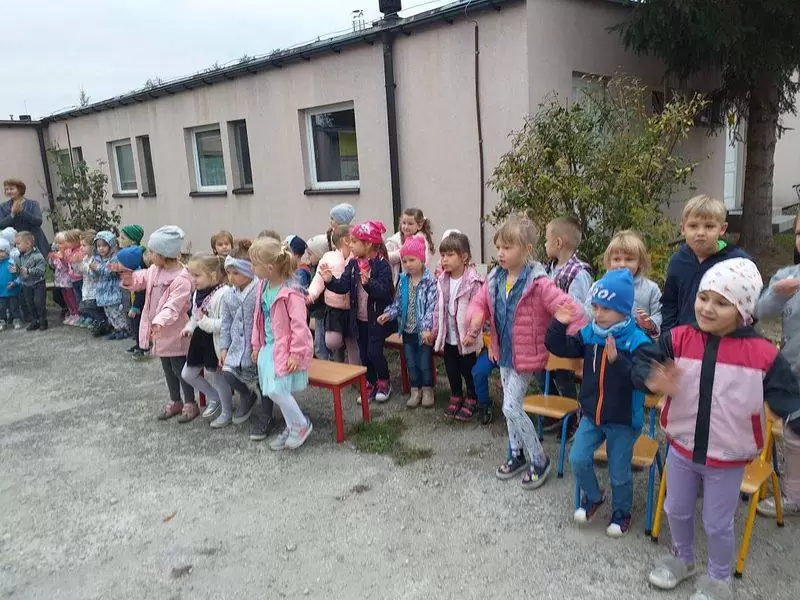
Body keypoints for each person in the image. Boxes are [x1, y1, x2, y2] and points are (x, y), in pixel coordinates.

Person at [633, 258, 800, 600]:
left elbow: (789, 396)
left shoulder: (762, 353)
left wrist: (790, 416)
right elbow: (640, 358)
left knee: (717, 522)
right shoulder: (679, 338)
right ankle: (683, 559)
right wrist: (651, 377)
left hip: (728, 455)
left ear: (743, 310)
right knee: (676, 509)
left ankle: (719, 578)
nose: (707, 308)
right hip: (681, 446)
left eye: (722, 303)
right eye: (704, 297)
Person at [465, 215, 585, 490]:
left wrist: (578, 338)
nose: (501, 253)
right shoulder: (495, 278)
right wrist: (475, 319)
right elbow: (480, 302)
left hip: (526, 358)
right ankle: (516, 453)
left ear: (527, 249)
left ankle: (539, 459)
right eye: (499, 247)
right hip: (503, 353)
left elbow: (569, 308)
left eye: (508, 247)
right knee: (510, 408)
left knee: (510, 407)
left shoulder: (538, 283)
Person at [546, 268, 652, 537]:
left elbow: (645, 380)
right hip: (592, 415)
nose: (598, 313)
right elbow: (560, 348)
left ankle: (622, 512)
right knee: (577, 458)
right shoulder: (590, 333)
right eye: (595, 306)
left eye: (606, 308)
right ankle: (594, 496)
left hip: (623, 420)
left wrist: (619, 362)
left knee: (619, 472)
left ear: (624, 310)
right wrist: (558, 324)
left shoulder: (638, 341)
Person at [119, 226, 195, 421]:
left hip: (175, 330)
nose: (149, 255)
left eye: (152, 252)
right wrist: (128, 278)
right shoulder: (154, 270)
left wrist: (159, 321)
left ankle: (190, 402)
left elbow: (174, 305)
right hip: (159, 331)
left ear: (164, 253)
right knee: (167, 368)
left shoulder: (182, 278)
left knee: (179, 368)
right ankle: (175, 400)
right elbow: (140, 279)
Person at [754, 214, 800, 518]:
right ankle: (793, 495)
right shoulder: (788, 276)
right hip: (793, 371)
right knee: (794, 432)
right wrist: (776, 293)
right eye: (799, 233)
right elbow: (760, 311)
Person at [249, 237, 314, 450]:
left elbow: (299, 326)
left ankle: (301, 424)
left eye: (254, 264)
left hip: (285, 349)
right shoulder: (263, 286)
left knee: (276, 390)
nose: (251, 268)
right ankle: (292, 425)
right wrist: (256, 345)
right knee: (271, 390)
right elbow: (258, 318)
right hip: (269, 347)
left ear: (269, 268)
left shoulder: (291, 292)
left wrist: (296, 353)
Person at [321, 220, 395, 403]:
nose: (351, 245)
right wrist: (330, 280)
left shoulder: (382, 265)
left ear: (368, 244)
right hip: (359, 319)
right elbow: (343, 286)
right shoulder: (353, 264)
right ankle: (370, 382)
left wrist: (369, 283)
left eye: (354, 241)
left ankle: (384, 381)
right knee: (363, 353)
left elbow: (384, 291)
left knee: (374, 352)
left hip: (377, 319)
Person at [661, 194, 750, 334]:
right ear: (683, 228)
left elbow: (750, 305)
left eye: (709, 226)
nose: (701, 233)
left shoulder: (737, 262)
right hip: (684, 339)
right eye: (693, 226)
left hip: (723, 339)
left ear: (722, 229)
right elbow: (669, 303)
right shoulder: (678, 261)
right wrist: (668, 336)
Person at [219, 240, 272, 438]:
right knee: (228, 373)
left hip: (257, 346)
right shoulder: (228, 295)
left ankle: (266, 416)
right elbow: (226, 323)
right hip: (237, 347)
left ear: (249, 271)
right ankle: (247, 395)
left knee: (263, 383)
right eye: (228, 273)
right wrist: (224, 346)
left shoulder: (259, 290)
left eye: (236, 273)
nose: (231, 277)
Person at [378, 236, 437, 408]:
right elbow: (398, 303)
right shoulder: (403, 280)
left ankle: (427, 389)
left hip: (423, 333)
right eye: (404, 261)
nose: (408, 264)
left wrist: (426, 329)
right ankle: (415, 390)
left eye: (412, 260)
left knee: (424, 362)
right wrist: (388, 314)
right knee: (410, 362)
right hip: (407, 330)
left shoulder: (430, 281)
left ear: (422, 259)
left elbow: (431, 308)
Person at [432, 232, 484, 420]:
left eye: (450, 255)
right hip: (449, 338)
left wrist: (472, 333)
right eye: (442, 255)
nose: (444, 259)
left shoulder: (473, 282)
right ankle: (456, 394)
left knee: (468, 370)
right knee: (451, 369)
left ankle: (472, 397)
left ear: (464, 257)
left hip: (466, 339)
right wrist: (434, 331)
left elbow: (479, 310)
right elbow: (438, 308)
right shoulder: (442, 280)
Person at [180, 254, 231, 424]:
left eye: (197, 275)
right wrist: (189, 327)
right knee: (187, 374)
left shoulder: (224, 293)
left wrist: (204, 322)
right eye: (191, 275)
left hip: (216, 341)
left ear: (213, 274)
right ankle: (214, 397)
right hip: (200, 339)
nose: (193, 279)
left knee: (217, 377)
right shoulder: (197, 293)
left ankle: (227, 412)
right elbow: (196, 315)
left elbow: (226, 323)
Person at [585, 230, 662, 339]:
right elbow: (588, 312)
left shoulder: (651, 289)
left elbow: (659, 314)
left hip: (638, 344)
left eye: (629, 259)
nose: (622, 264)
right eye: (616, 259)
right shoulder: (598, 286)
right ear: (609, 261)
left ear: (639, 262)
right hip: (605, 342)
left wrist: (650, 324)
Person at [307, 225, 358, 364]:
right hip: (334, 309)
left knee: (353, 344)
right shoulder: (328, 258)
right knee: (333, 342)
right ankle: (339, 365)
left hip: (353, 309)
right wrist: (310, 295)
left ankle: (357, 372)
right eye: (354, 238)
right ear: (346, 240)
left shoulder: (356, 257)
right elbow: (318, 280)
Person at [91, 231, 129, 340]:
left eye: (104, 246)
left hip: (113, 290)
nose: (101, 249)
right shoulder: (97, 258)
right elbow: (96, 274)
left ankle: (123, 329)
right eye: (98, 246)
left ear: (111, 245)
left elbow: (111, 271)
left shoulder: (115, 258)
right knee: (108, 312)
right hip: (102, 290)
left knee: (116, 311)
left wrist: (98, 267)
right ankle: (115, 328)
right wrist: (93, 269)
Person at [0, 179, 50, 259]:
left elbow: (38, 221)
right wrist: (12, 215)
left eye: (11, 189)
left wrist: (22, 212)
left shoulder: (33, 204)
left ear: (20, 189)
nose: (8, 191)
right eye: (6, 189)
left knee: (40, 263)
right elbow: (1, 225)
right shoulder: (3, 207)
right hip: (16, 242)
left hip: (34, 239)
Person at [117, 230, 148, 356]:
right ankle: (138, 343)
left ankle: (143, 347)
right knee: (135, 324)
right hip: (134, 302)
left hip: (140, 306)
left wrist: (135, 307)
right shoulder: (133, 272)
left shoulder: (139, 276)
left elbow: (141, 293)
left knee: (140, 324)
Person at [386, 208, 435, 282]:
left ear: (419, 226)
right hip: (400, 279)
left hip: (415, 278)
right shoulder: (397, 238)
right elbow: (385, 254)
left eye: (410, 224)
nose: (406, 227)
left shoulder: (420, 239)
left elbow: (424, 262)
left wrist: (402, 253)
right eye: (404, 223)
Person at [304, 233, 332, 361]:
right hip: (317, 312)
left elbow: (319, 293)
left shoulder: (323, 271)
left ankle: (326, 364)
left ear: (320, 254)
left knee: (321, 343)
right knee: (319, 342)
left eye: (310, 254)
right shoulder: (312, 268)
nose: (308, 257)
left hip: (322, 312)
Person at [75, 230, 107, 331]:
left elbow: (94, 273)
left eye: (84, 245)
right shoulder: (85, 258)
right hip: (87, 288)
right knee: (84, 308)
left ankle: (103, 322)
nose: (81, 248)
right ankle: (99, 321)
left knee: (90, 307)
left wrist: (82, 265)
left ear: (93, 246)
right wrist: (76, 263)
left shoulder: (96, 258)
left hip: (95, 290)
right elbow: (79, 272)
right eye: (81, 245)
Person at [15, 231, 47, 331]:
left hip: (38, 283)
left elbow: (41, 270)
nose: (16, 246)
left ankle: (43, 320)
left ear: (28, 243)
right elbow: (20, 270)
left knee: (39, 302)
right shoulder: (19, 257)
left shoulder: (37, 256)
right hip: (26, 284)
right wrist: (16, 270)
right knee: (30, 304)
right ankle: (35, 321)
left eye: (18, 243)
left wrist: (29, 271)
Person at [48, 231, 81, 325]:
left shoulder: (67, 253)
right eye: (57, 243)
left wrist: (61, 258)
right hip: (60, 279)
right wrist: (53, 259)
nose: (58, 245)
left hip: (67, 278)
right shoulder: (59, 252)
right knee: (66, 297)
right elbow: (54, 267)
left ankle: (76, 313)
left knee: (71, 297)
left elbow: (66, 266)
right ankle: (71, 313)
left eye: (61, 243)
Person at [0, 238, 22, 330]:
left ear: (7, 252)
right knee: (1, 307)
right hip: (1, 292)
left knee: (14, 306)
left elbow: (18, 276)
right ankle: (2, 321)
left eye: (1, 251)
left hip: (12, 289)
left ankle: (16, 319)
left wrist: (15, 283)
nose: (0, 254)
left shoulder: (11, 262)